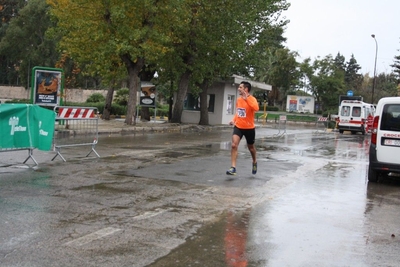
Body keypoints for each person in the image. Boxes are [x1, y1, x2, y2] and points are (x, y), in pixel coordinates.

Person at [226, 81, 259, 175]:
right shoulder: (239, 100)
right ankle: (233, 168)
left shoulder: (252, 99)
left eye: (240, 87)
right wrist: (234, 120)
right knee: (234, 145)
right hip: (239, 126)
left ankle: (254, 162)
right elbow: (238, 112)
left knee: (251, 148)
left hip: (249, 128)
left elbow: (256, 108)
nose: (238, 89)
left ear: (246, 89)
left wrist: (246, 99)